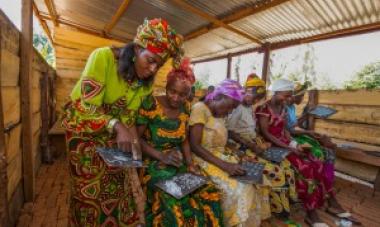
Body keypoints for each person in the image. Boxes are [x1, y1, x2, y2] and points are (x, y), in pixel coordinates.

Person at [61, 18, 184, 226]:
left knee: (118, 190)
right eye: (151, 60)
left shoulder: (144, 84)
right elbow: (85, 107)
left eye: (159, 65)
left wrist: (136, 155)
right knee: (89, 196)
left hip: (113, 137)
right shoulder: (103, 58)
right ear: (137, 49)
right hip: (84, 134)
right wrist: (116, 126)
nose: (154, 69)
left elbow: (129, 120)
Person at [256, 79, 356, 227]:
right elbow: (266, 134)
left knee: (316, 161)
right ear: (276, 92)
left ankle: (330, 200)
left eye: (290, 95)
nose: (289, 98)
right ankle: (311, 213)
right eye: (286, 95)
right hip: (272, 146)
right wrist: (289, 147)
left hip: (286, 143)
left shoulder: (283, 107)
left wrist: (294, 143)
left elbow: (285, 130)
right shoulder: (264, 108)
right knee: (305, 168)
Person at [136, 58, 223, 227]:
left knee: (209, 190)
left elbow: (184, 139)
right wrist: (161, 156)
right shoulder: (150, 104)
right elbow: (136, 139)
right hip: (152, 163)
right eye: (172, 91)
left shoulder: (186, 108)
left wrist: (190, 164)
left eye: (182, 95)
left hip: (177, 162)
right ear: (166, 88)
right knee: (173, 196)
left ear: (188, 95)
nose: (176, 98)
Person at [189, 79, 267, 227]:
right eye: (231, 106)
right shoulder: (200, 109)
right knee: (242, 189)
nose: (230, 111)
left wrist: (240, 154)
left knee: (256, 181)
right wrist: (226, 166)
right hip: (203, 159)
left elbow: (223, 141)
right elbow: (195, 145)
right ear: (219, 96)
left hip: (221, 157)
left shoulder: (220, 114)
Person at [286, 82, 359, 225]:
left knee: (327, 150)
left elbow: (294, 125)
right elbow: (287, 130)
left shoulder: (292, 108)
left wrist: (307, 115)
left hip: (295, 136)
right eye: (301, 95)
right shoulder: (282, 108)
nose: (302, 98)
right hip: (291, 138)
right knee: (317, 154)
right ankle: (325, 195)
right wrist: (308, 132)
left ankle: (328, 189)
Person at [226, 74, 296, 219]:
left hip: (253, 142)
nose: (254, 100)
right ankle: (278, 208)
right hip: (240, 145)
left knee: (286, 165)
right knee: (275, 170)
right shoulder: (237, 107)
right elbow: (230, 132)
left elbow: (252, 129)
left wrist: (261, 141)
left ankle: (281, 205)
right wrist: (252, 144)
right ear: (246, 90)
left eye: (258, 99)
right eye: (252, 95)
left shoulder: (249, 107)